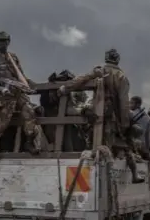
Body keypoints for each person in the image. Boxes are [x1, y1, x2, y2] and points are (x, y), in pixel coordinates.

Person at [59, 48, 144, 183]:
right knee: (112, 148)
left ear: (106, 58)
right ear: (117, 59)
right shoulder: (121, 77)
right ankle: (106, 180)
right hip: (111, 119)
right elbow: (123, 103)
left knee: (94, 144)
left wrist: (66, 88)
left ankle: (92, 177)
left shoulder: (98, 71)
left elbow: (80, 80)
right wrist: (124, 125)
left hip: (95, 116)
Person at [0, 31, 39, 158]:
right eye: (0, 41)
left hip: (16, 91)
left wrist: (29, 83)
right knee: (2, 121)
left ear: (8, 42)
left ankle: (29, 142)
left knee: (29, 112)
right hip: (2, 94)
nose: (2, 43)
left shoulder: (13, 57)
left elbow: (20, 75)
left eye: (5, 40)